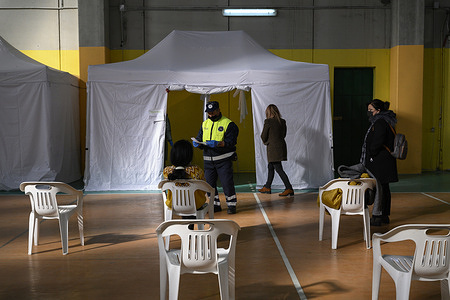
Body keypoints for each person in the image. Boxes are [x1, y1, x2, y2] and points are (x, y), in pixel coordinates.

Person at [193, 101, 239, 214]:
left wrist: (218, 143)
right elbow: (200, 137)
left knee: (227, 184)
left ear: (218, 110)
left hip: (223, 160)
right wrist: (198, 143)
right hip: (208, 161)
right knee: (209, 185)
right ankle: (215, 205)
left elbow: (231, 142)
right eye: (209, 113)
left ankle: (232, 205)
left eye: (213, 112)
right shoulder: (205, 124)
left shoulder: (229, 124)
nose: (211, 115)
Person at [361, 99, 398, 226]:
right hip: (385, 160)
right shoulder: (385, 121)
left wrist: (371, 153)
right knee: (384, 188)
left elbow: (377, 141)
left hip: (380, 161)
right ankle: (384, 215)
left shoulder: (380, 122)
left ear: (378, 110)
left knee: (380, 189)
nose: (369, 113)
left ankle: (377, 216)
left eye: (371, 110)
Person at [258, 104, 294, 196]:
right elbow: (284, 134)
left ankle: (289, 188)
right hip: (281, 146)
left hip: (273, 148)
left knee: (278, 168)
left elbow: (263, 135)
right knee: (271, 167)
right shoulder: (282, 121)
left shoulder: (268, 121)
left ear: (268, 112)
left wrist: (266, 142)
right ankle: (267, 186)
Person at [163, 139, 206, 211]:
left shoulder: (167, 171)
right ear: (189, 156)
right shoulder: (197, 170)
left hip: (173, 205)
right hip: (195, 205)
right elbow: (204, 189)